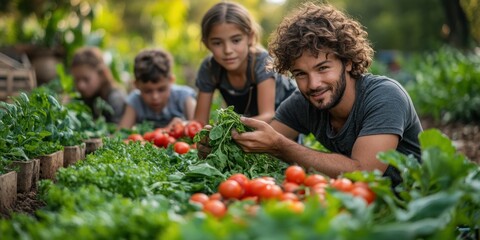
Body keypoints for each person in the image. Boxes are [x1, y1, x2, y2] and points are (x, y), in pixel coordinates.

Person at [229, 2, 423, 187]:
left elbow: (364, 173)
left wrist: (282, 146)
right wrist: (220, 141)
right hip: (360, 204)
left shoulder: (385, 96)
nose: (313, 84)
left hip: (416, 204)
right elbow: (260, 142)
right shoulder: (302, 104)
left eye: (322, 68)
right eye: (301, 74)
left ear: (347, 62)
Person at [193, 2, 296, 126]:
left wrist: (226, 129)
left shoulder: (262, 62)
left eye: (236, 40)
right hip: (247, 126)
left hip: (284, 124)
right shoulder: (210, 68)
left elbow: (268, 115)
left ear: (250, 37)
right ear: (206, 44)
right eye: (217, 43)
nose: (228, 50)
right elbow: (198, 122)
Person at [118, 48, 196, 129]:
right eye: (147, 91)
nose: (155, 97)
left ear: (171, 80)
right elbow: (121, 133)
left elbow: (197, 127)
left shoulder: (184, 97)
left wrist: (183, 126)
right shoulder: (135, 101)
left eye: (161, 89)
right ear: (136, 85)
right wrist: (165, 131)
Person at [71, 46, 126, 123]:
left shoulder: (115, 99)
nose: (81, 86)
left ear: (102, 74)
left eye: (86, 79)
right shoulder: (81, 96)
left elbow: (117, 131)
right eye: (77, 80)